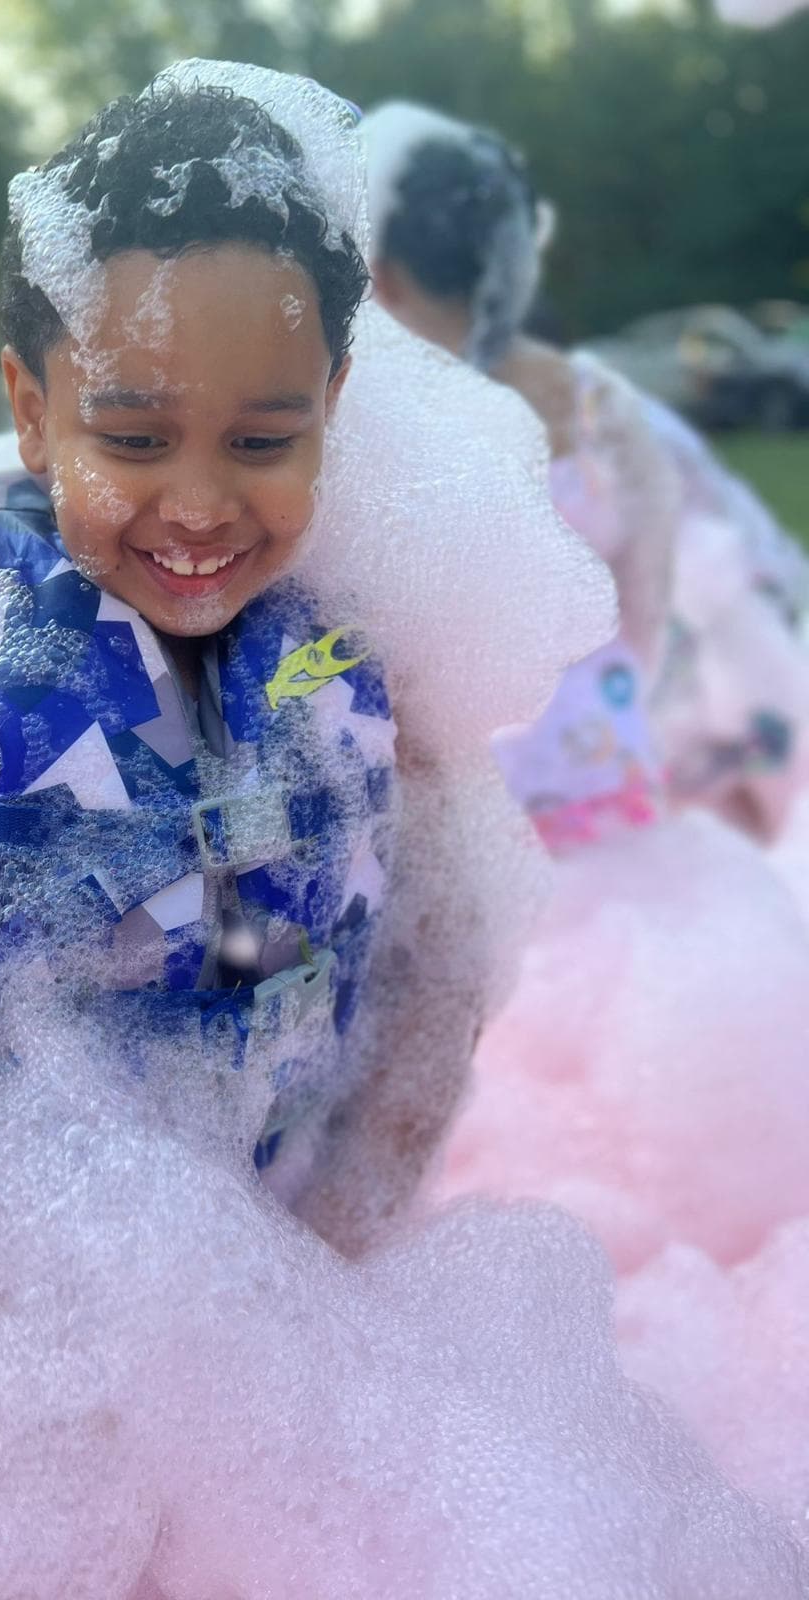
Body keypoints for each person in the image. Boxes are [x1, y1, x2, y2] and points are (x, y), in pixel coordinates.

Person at [0, 63, 801, 1599]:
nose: (197, 502)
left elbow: (433, 976)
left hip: (266, 1322)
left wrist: (335, 1257)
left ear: (335, 418)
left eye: (260, 442)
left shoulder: (358, 670)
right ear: (33, 410)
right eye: (135, 432)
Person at [364, 99, 809, 1523]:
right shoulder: (600, 406)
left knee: (502, 1130)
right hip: (624, 818)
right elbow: (651, 616)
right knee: (695, 1132)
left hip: (481, 830)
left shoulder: (393, 411)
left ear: (388, 267)